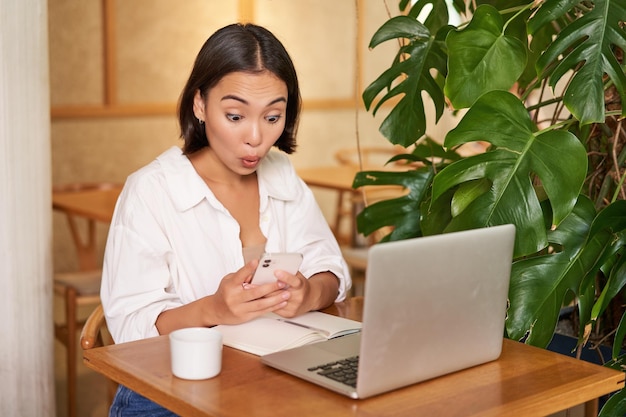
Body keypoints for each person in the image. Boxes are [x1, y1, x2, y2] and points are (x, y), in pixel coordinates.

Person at [100, 22, 352, 415]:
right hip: (169, 390)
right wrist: (213, 310)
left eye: (272, 117)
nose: (256, 137)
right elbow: (131, 327)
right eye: (235, 116)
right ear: (200, 104)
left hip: (268, 379)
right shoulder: (151, 191)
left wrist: (308, 294)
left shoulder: (281, 174)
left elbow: (331, 270)